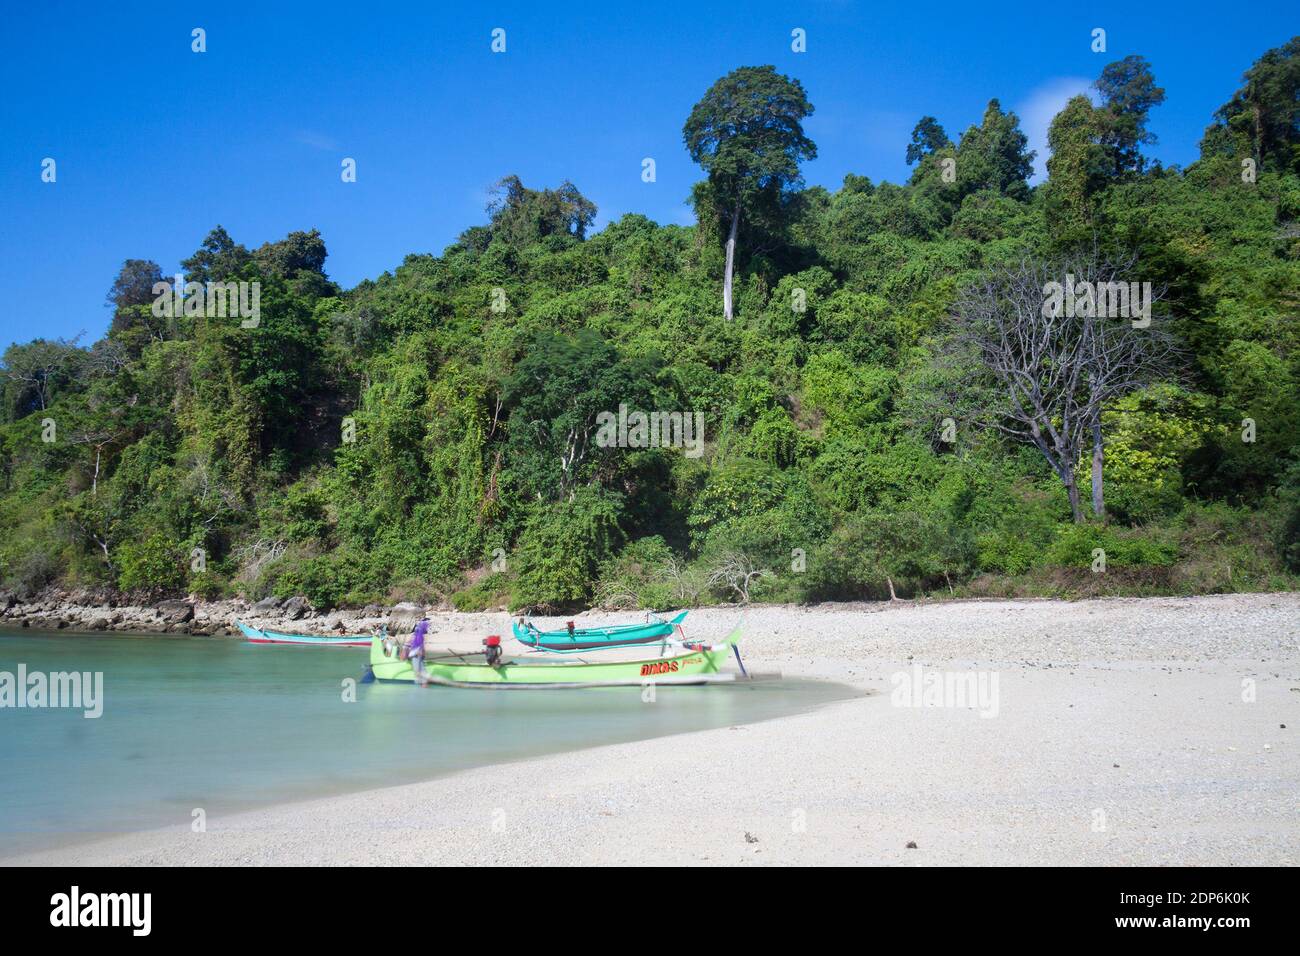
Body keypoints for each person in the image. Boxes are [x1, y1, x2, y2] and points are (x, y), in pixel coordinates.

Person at [409, 615, 430, 686]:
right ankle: (423, 686)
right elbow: (420, 646)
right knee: (421, 672)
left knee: (419, 672)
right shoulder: (420, 634)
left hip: (415, 654)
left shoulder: (417, 633)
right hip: (416, 654)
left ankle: (422, 687)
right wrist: (422, 654)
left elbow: (415, 644)